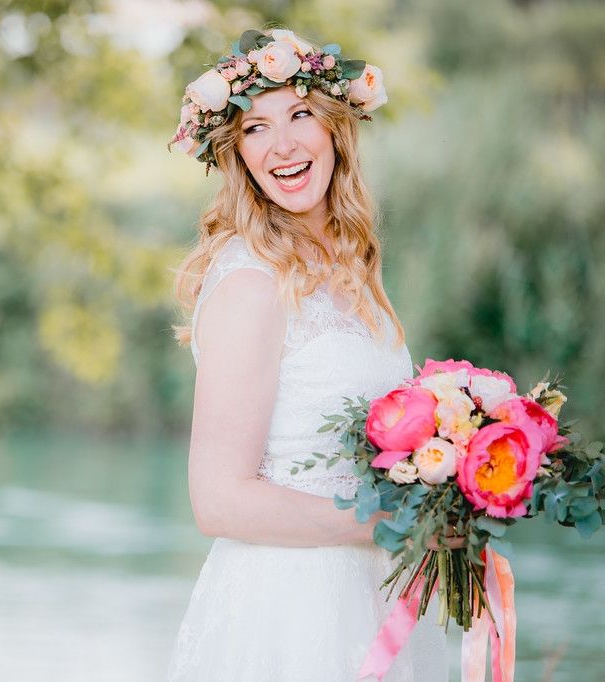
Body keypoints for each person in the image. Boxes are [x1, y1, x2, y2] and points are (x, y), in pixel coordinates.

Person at [165, 27, 454, 681]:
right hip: (292, 607)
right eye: (256, 128)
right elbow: (219, 501)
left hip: (370, 592)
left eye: (300, 115)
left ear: (336, 130)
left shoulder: (350, 270)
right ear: (237, 153)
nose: (283, 145)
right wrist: (387, 522)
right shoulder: (250, 282)